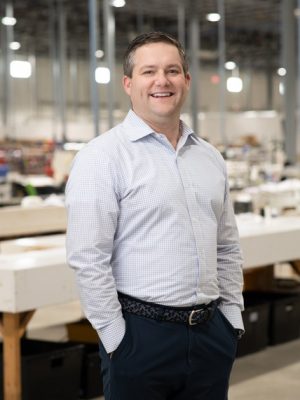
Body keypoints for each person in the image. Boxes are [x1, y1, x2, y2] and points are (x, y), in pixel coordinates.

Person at [66, 31, 244, 400]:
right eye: (149, 72)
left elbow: (226, 246)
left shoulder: (209, 157)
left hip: (211, 335)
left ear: (187, 80)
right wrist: (116, 337)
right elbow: (88, 257)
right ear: (129, 84)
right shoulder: (102, 158)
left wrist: (231, 319)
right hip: (140, 338)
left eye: (172, 70)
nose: (162, 81)